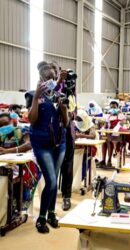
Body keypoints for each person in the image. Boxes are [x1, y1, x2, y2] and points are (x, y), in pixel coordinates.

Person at [28, 61, 69, 233]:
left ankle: (52, 214)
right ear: (41, 78)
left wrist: (63, 108)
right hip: (41, 143)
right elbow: (32, 119)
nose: (51, 81)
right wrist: (37, 97)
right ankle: (42, 218)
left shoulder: (58, 95)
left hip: (59, 143)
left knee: (54, 182)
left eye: (54, 78)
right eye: (48, 78)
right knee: (51, 181)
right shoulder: (32, 95)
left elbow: (66, 123)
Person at [49, 61, 77, 211]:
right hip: (52, 133)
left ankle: (66, 197)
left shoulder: (69, 87)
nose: (56, 73)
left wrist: (69, 113)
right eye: (53, 71)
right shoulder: (46, 87)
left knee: (67, 166)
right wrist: (58, 83)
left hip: (67, 132)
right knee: (52, 167)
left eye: (57, 70)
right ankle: (50, 198)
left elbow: (74, 109)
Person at [97, 101, 121, 168]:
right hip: (109, 131)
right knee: (104, 143)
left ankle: (109, 160)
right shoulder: (108, 114)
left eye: (114, 107)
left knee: (109, 142)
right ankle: (103, 160)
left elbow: (121, 123)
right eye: (111, 107)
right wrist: (105, 126)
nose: (113, 108)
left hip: (116, 133)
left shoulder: (119, 114)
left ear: (117, 107)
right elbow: (105, 123)